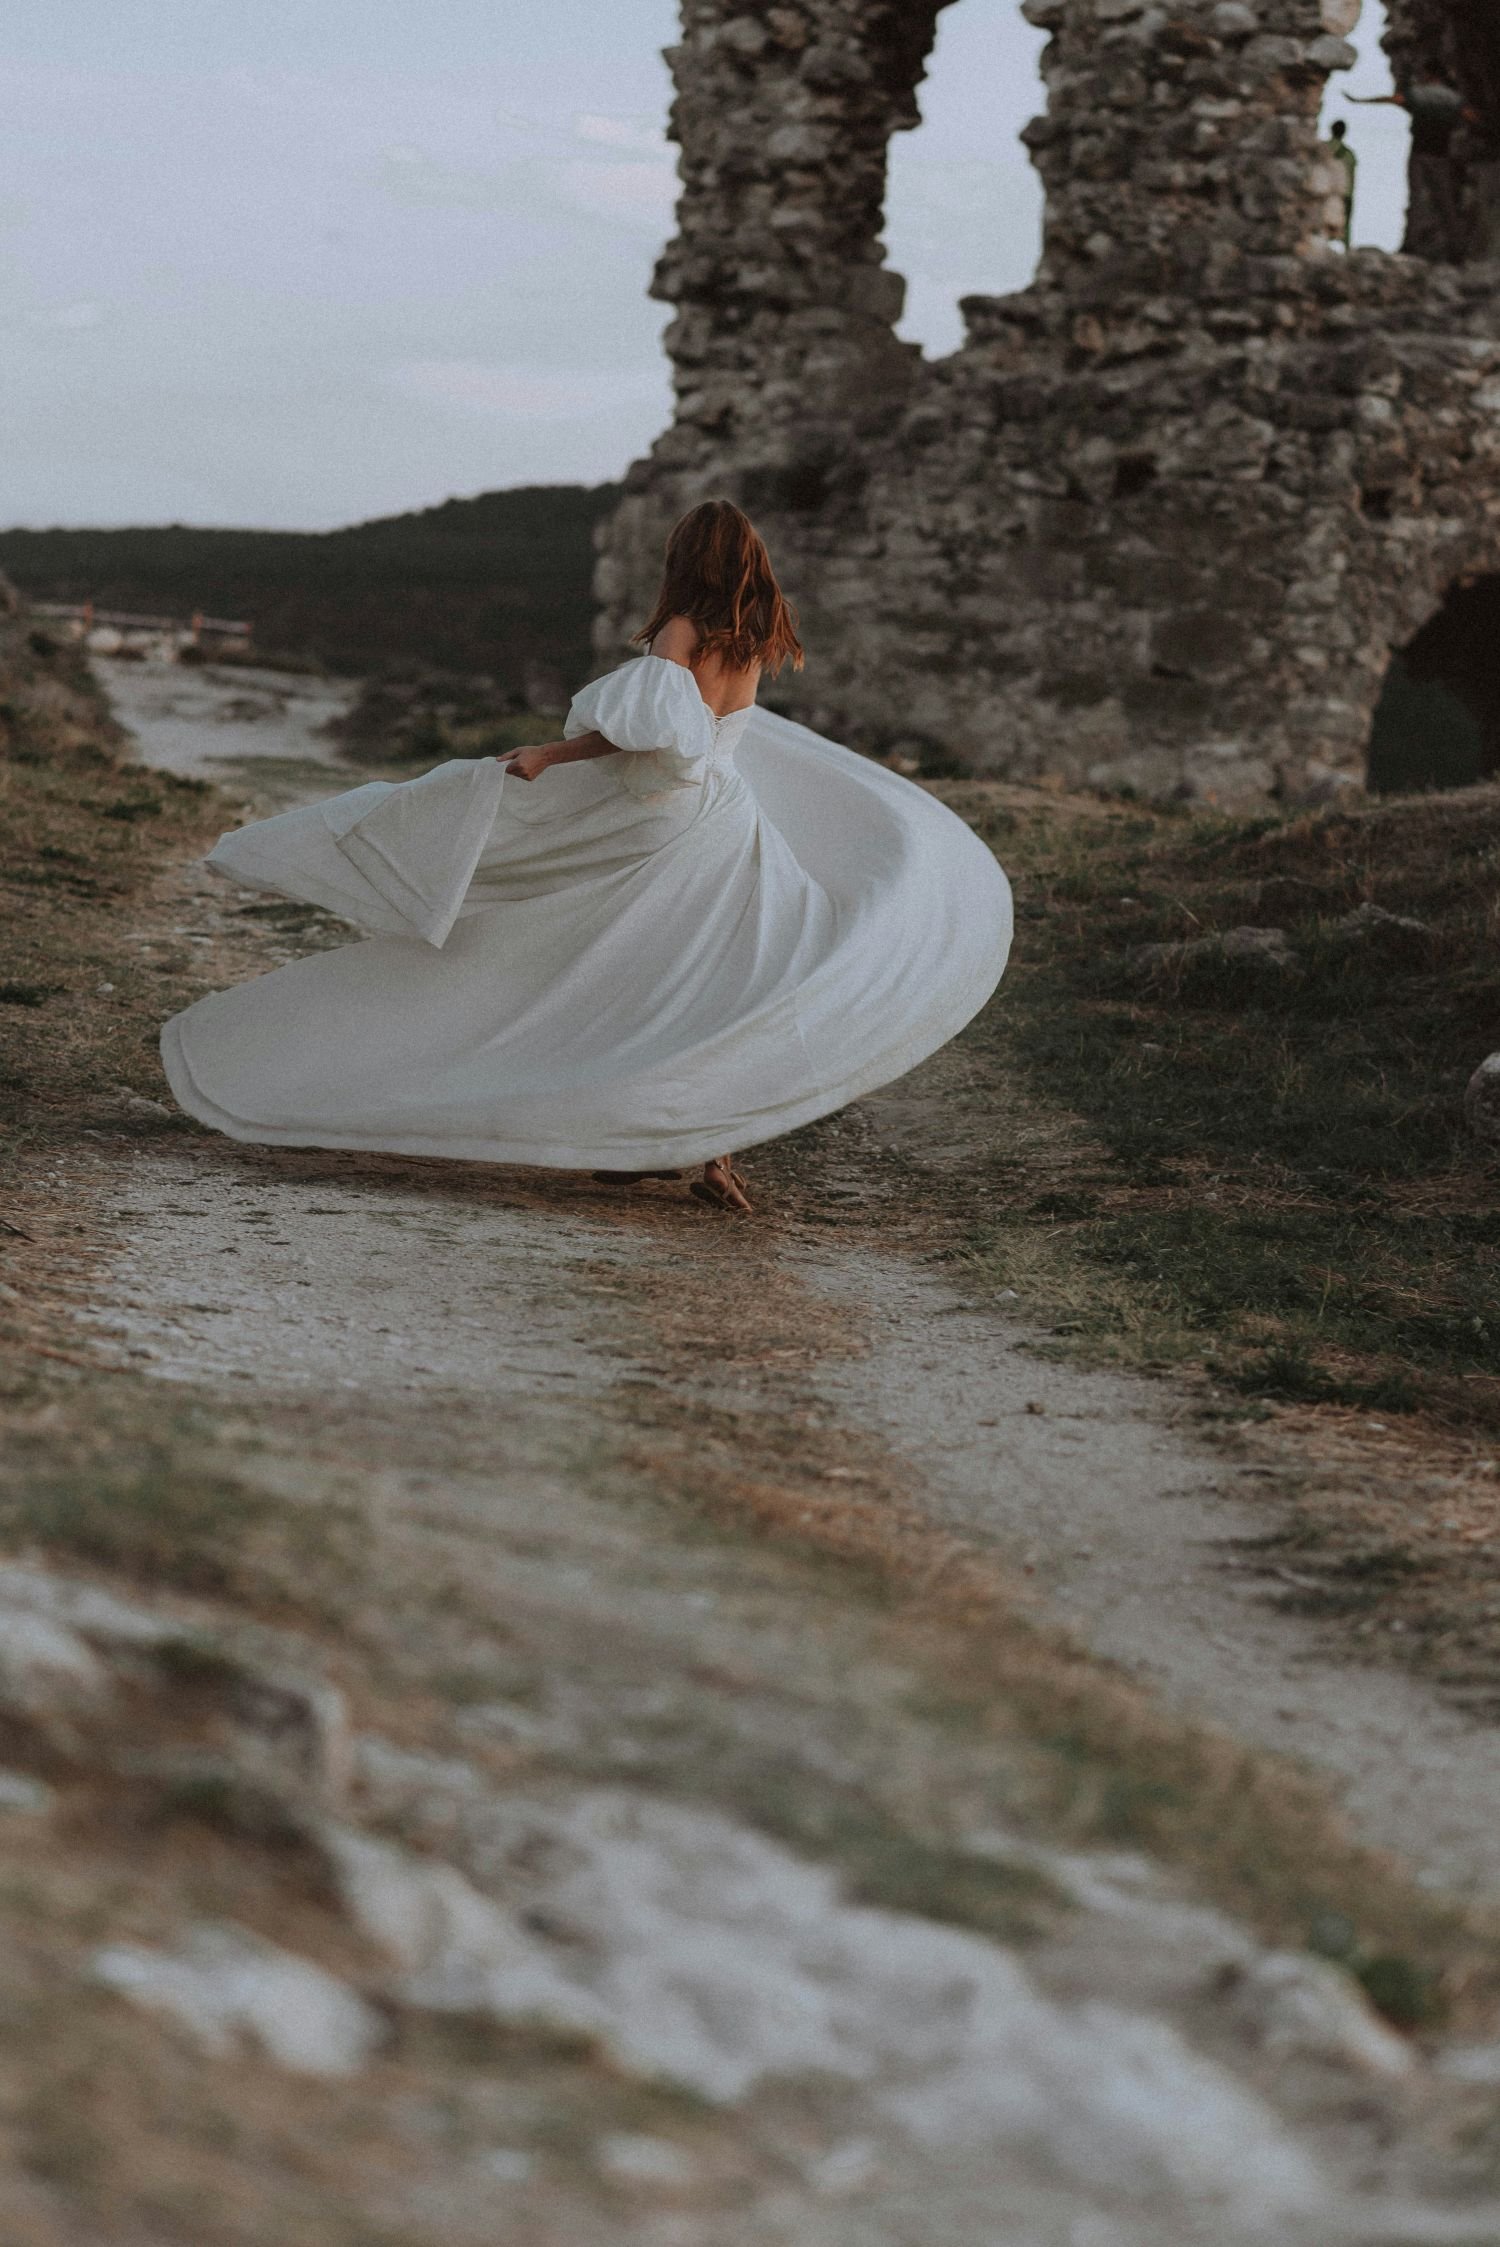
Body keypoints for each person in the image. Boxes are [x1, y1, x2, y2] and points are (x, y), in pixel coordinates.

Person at [159, 500, 1013, 1216]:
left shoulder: (682, 629)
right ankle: (695, 1146)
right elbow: (713, 737)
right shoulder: (758, 638)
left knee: (596, 963)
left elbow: (649, 733)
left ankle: (644, 1131)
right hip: (729, 822)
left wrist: (549, 754)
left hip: (667, 822)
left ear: (686, 562)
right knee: (705, 984)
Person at [1348, 82, 1476, 262]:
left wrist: (1360, 100)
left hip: (1420, 154)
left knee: (1415, 199)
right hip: (1440, 155)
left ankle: (1411, 244)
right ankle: (1457, 247)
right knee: (1445, 202)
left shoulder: (1421, 93)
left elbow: (1394, 99)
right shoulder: (1453, 98)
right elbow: (1471, 116)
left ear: (1428, 75)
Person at [1326, 118, 1358, 248]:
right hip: (1345, 194)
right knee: (1345, 225)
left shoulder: (1323, 149)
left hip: (1325, 192)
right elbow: (1352, 176)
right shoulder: (1349, 154)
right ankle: (1346, 249)